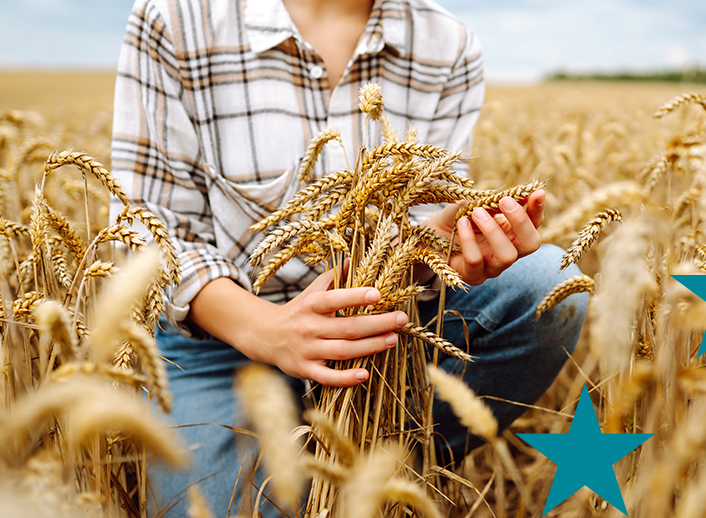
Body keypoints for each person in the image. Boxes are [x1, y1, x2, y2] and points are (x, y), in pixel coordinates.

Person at [111, 0, 588, 516]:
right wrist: (265, 328)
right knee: (219, 506)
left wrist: (440, 246)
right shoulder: (179, 17)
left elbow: (424, 219)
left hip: (384, 330)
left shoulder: (447, 42)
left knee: (544, 284)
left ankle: (366, 470)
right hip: (220, 344)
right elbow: (144, 227)